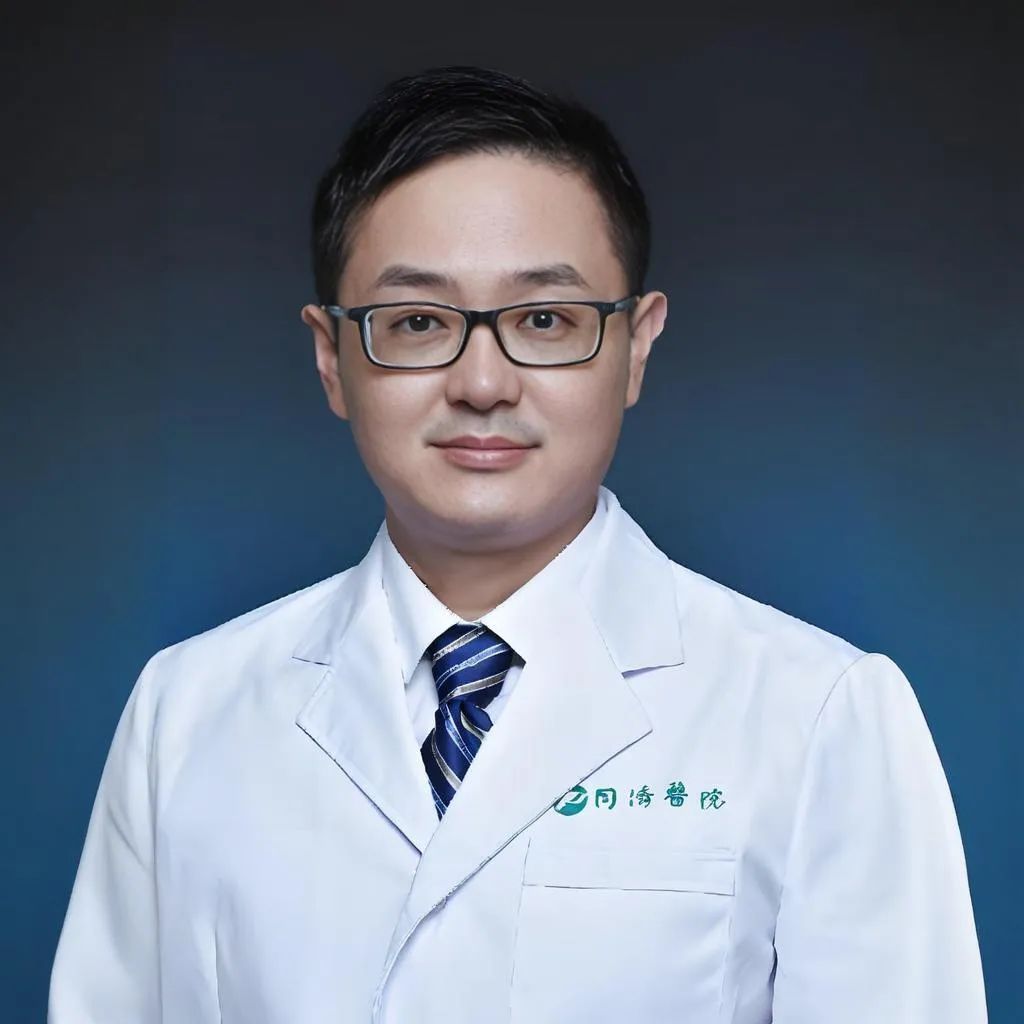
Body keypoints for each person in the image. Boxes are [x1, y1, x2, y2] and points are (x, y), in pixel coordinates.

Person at [48, 64, 987, 1023]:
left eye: (545, 319)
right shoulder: (187, 711)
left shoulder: (818, 714)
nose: (483, 384)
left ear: (637, 345)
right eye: (418, 322)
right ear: (331, 357)